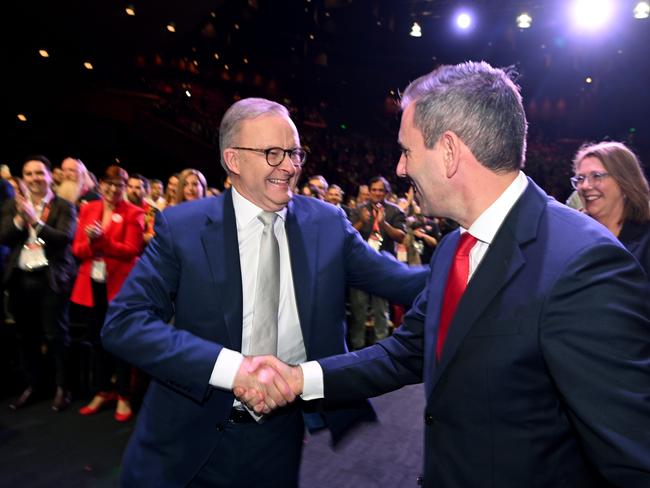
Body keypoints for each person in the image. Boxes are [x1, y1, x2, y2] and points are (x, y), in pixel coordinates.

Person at [242, 62, 650, 487]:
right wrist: (297, 378)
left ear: (450, 151)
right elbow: (404, 353)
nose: (400, 169)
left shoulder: (583, 263)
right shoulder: (454, 250)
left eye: (407, 150)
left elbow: (632, 458)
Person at [101, 97, 427, 487]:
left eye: (295, 153)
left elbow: (402, 281)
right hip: (184, 439)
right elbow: (124, 322)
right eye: (274, 153)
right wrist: (232, 369)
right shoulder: (182, 227)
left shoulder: (326, 223)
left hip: (276, 440)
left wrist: (474, 256)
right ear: (234, 160)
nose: (290, 166)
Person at [0, 155, 76, 411]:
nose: (34, 178)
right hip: (21, 279)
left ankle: (62, 387)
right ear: (23, 178)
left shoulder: (63, 206)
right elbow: (4, 237)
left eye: (39, 173)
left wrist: (35, 221)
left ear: (49, 177)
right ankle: (34, 385)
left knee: (56, 336)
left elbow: (64, 239)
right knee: (26, 337)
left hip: (51, 279)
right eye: (29, 174)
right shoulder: (13, 205)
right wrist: (20, 220)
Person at [71, 165, 144, 422]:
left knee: (120, 343)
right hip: (91, 284)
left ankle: (124, 395)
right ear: (100, 184)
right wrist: (91, 243)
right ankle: (102, 391)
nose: (113, 189)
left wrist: (103, 241)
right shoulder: (88, 209)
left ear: (124, 188)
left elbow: (131, 250)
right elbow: (78, 250)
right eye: (108, 184)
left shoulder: (134, 212)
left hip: (119, 287)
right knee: (96, 341)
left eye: (119, 185)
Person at [572, 141, 650, 274]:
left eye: (596, 176)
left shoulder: (646, 238)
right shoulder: (572, 232)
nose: (585, 186)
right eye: (580, 178)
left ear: (625, 182)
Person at [348, 176, 407, 349]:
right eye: (374, 190)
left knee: (381, 312)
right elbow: (347, 234)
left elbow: (401, 237)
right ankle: (356, 352)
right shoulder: (359, 210)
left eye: (381, 190)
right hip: (360, 267)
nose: (377, 193)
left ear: (386, 192)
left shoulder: (395, 211)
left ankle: (381, 352)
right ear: (370, 191)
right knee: (358, 313)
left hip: (383, 268)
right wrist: (362, 222)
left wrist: (384, 224)